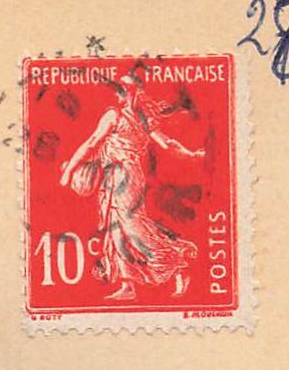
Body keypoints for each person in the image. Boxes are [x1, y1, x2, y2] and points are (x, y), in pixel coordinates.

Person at [58, 69, 205, 301]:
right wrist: (70, 170)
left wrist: (191, 154)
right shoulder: (114, 116)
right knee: (113, 226)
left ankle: (176, 262)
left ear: (134, 92)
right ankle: (128, 285)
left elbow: (167, 144)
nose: (122, 93)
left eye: (126, 89)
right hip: (111, 175)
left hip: (127, 175)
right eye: (121, 89)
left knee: (132, 224)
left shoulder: (138, 119)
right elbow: (92, 144)